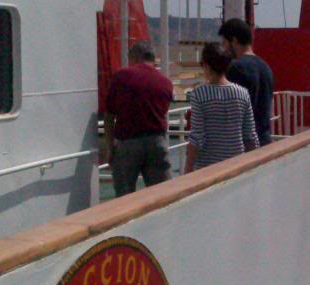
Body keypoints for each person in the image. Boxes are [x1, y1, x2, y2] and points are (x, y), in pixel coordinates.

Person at [104, 42, 174, 197]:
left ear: (135, 57)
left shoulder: (121, 76)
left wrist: (110, 148)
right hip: (157, 143)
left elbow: (109, 115)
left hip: (127, 143)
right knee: (161, 195)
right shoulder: (166, 83)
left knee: (124, 197)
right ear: (153, 59)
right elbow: (163, 111)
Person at [184, 43, 259, 173]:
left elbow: (197, 137)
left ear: (207, 66)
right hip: (236, 166)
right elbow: (250, 136)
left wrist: (187, 171)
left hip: (207, 168)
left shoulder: (199, 94)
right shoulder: (242, 93)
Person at [221, 18, 275, 145]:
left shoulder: (236, 68)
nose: (223, 48)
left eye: (224, 43)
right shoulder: (266, 67)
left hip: (244, 145)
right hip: (264, 140)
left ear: (233, 41)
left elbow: (230, 112)